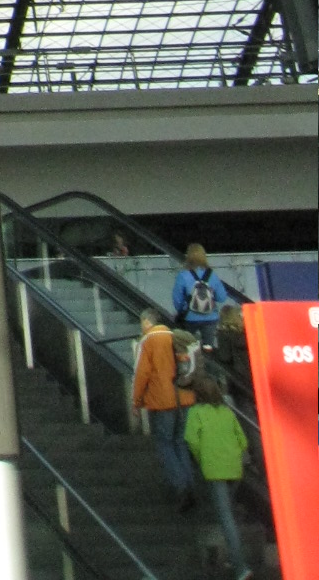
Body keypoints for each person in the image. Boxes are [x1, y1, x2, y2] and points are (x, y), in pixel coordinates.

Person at [184, 373, 251, 580]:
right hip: (234, 468)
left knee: (226, 518)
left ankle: (241, 568)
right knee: (229, 512)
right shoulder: (226, 412)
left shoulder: (195, 412)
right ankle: (233, 556)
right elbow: (243, 441)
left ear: (198, 393)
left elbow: (191, 439)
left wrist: (201, 457)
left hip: (214, 469)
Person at [131, 310, 196, 512]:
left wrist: (136, 401)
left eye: (142, 322)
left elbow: (142, 373)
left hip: (162, 400)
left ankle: (180, 485)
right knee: (181, 442)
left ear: (146, 322)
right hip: (185, 397)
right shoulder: (176, 336)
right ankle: (191, 483)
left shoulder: (148, 340)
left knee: (165, 443)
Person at [172, 244, 230, 350]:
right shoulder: (212, 275)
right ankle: (208, 357)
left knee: (188, 347)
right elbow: (222, 297)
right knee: (208, 348)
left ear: (188, 256)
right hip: (211, 317)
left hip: (190, 318)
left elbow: (177, 299)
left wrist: (182, 311)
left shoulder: (183, 275)